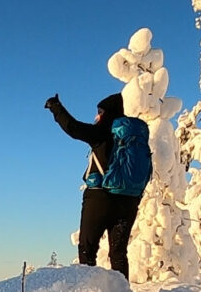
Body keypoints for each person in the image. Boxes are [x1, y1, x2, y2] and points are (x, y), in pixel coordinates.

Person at [45, 93, 143, 281]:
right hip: (128, 201)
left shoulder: (103, 132)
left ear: (107, 113)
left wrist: (56, 107)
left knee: (87, 249)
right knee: (119, 253)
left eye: (100, 112)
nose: (97, 116)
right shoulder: (134, 137)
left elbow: (73, 128)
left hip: (99, 198)